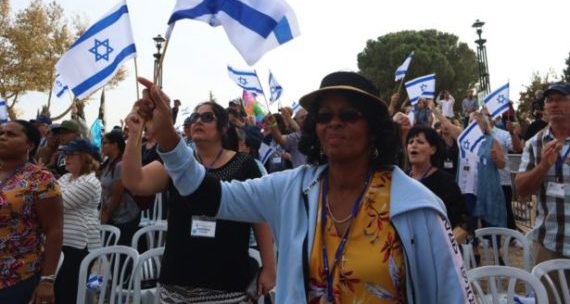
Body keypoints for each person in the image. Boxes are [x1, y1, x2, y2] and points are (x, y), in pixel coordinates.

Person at [132, 72, 472, 303]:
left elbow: (452, 294)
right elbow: (209, 196)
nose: (334, 122)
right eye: (323, 116)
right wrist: (168, 136)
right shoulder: (292, 189)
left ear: (373, 127)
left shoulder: (417, 205)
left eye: (349, 115)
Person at [122, 101, 276, 303]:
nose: (198, 121)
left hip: (227, 286)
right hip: (177, 285)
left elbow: (260, 217)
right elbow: (135, 182)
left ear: (223, 127)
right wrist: (134, 134)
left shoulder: (244, 164)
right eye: (194, 117)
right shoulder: (177, 165)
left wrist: (269, 267)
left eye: (207, 117)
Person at [515, 81, 570, 296]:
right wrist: (543, 166)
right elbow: (521, 191)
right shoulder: (535, 144)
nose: (554, 104)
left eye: (561, 99)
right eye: (549, 100)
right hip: (550, 245)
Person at [0, 120, 63, 304]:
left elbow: (54, 230)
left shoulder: (40, 178)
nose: (2, 137)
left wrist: (47, 280)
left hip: (17, 278)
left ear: (30, 144)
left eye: (11, 134)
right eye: (1, 133)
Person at [54, 138, 102, 304]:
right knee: (58, 289)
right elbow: (49, 197)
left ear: (85, 158)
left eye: (71, 154)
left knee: (68, 292)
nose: (66, 158)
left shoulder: (90, 181)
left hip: (79, 244)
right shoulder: (66, 177)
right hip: (64, 242)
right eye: (65, 154)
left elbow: (58, 204)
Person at [405, 125, 469, 243]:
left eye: (420, 142)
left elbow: (463, 223)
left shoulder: (445, 181)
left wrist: (444, 245)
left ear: (433, 149)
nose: (413, 145)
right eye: (410, 142)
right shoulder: (401, 179)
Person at [99, 129, 140, 247]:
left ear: (115, 145)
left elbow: (117, 193)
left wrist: (107, 213)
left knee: (119, 251)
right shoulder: (108, 163)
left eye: (105, 143)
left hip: (124, 215)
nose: (102, 146)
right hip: (113, 214)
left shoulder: (120, 164)